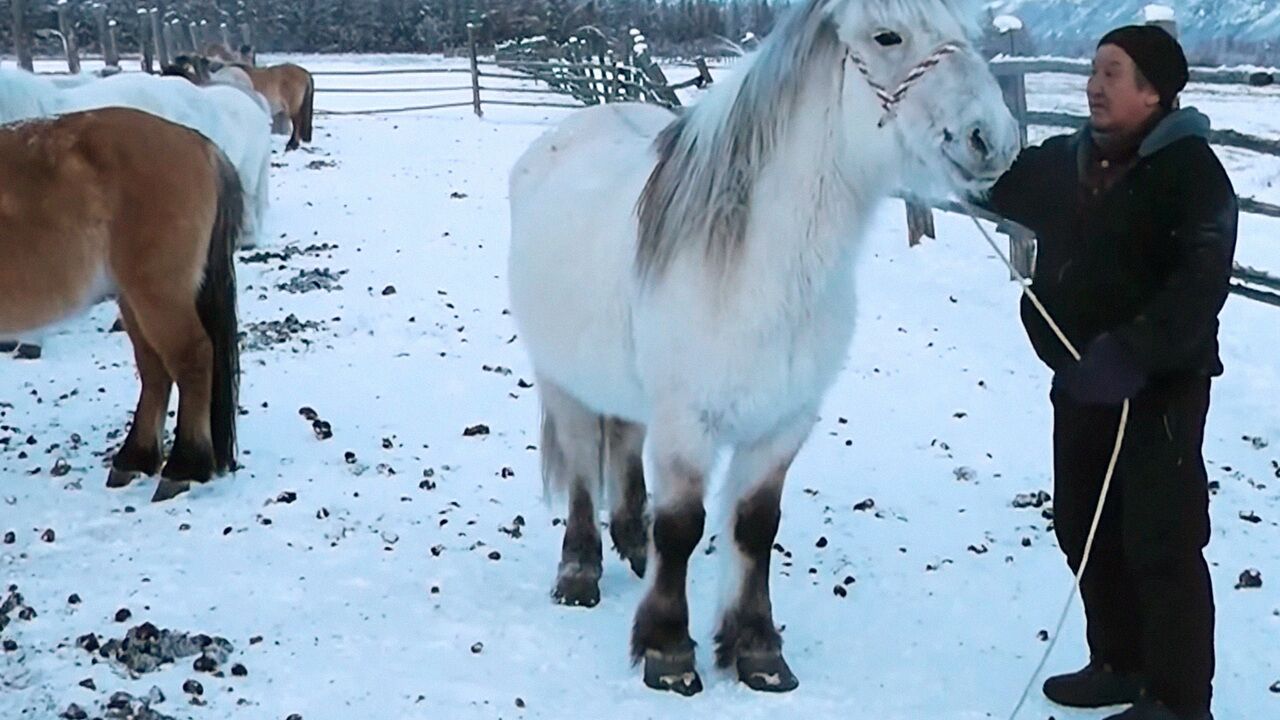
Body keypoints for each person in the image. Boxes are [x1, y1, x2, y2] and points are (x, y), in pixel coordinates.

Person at [981, 25, 1237, 720]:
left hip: (1160, 389)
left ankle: (1178, 700)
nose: (1095, 86)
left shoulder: (1192, 175)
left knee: (1161, 538)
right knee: (1084, 524)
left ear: (1154, 91)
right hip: (1081, 383)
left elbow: (1199, 284)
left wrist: (1131, 352)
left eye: (1113, 73)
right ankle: (1119, 662)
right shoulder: (1070, 160)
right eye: (1094, 71)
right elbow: (997, 183)